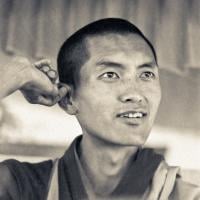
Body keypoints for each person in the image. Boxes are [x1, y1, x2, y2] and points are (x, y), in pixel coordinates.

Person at [0, 18, 199, 200]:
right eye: (110, 75)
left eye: (146, 75)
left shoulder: (185, 195)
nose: (135, 93)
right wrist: (18, 73)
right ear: (68, 99)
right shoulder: (22, 186)